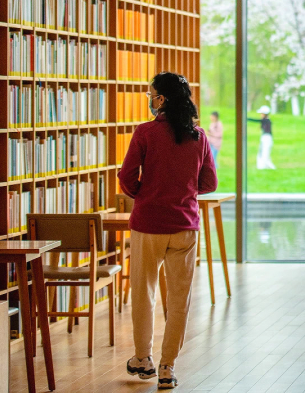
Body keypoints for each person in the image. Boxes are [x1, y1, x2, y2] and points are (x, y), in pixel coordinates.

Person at [119, 72, 216, 391]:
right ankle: (167, 367)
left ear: (161, 100)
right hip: (185, 227)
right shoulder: (199, 137)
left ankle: (142, 358)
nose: (149, 99)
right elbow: (209, 183)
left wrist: (144, 194)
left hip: (148, 225)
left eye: (151, 94)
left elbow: (126, 175)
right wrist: (183, 192)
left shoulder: (145, 132)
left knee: (143, 292)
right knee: (179, 300)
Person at [248, 105, 275, 170]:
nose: (261, 115)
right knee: (262, 154)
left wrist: (247, 118)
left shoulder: (267, 120)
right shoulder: (266, 121)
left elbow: (257, 120)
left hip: (267, 139)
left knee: (265, 154)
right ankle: (262, 167)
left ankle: (265, 167)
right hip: (265, 138)